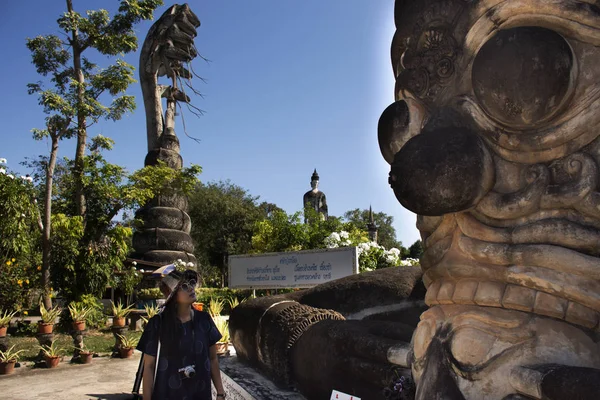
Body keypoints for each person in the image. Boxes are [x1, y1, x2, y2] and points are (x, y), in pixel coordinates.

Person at [137, 266, 226, 400]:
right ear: (172, 296)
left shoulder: (204, 320)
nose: (191, 288)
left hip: (200, 394)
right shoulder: (157, 324)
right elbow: (149, 366)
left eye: (191, 283)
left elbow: (213, 359)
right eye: (184, 286)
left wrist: (220, 392)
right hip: (167, 394)